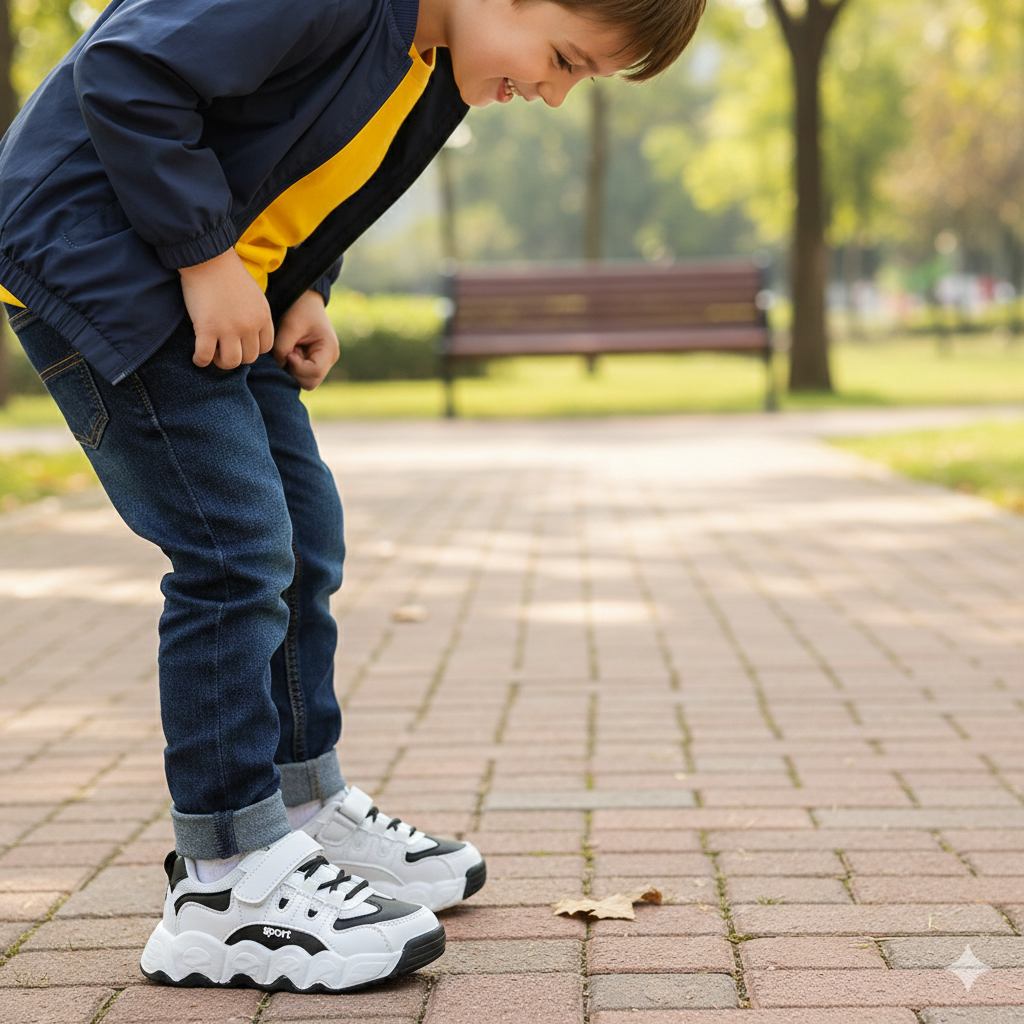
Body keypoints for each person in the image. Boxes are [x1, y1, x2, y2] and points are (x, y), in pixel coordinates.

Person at [0, 0, 706, 995]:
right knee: (234, 550)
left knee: (303, 533)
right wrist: (206, 258)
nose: (550, 92)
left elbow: (325, 172)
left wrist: (307, 286)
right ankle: (224, 882)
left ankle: (296, 812)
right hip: (110, 257)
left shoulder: (439, 58)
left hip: (220, 283)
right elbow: (124, 72)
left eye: (579, 80)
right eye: (561, 59)